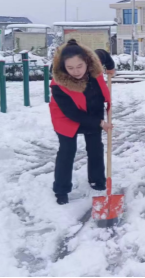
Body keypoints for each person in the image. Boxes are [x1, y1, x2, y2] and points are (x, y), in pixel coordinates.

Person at [49, 39, 113, 205]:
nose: (76, 71)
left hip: (92, 110)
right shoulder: (59, 84)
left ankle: (97, 180)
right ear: (64, 67)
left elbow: (104, 55)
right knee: (67, 151)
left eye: (79, 66)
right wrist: (100, 123)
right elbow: (72, 113)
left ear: (87, 62)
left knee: (95, 147)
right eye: (70, 68)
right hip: (66, 116)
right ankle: (61, 189)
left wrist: (111, 68)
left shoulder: (94, 61)